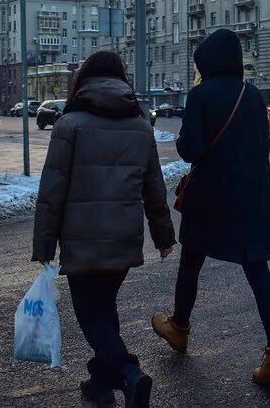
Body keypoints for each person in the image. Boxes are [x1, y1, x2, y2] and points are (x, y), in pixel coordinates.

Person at [32, 51, 175, 408]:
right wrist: (163, 236)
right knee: (103, 308)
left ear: (84, 80)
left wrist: (45, 245)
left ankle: (130, 373)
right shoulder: (140, 125)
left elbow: (52, 190)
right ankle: (99, 382)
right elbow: (154, 186)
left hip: (82, 243)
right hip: (125, 241)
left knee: (92, 315)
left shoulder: (70, 124)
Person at [151, 29, 270, 385]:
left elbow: (191, 149)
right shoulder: (253, 95)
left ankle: (179, 328)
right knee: (258, 271)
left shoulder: (201, 95)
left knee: (191, 263)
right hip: (252, 199)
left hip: (210, 198)